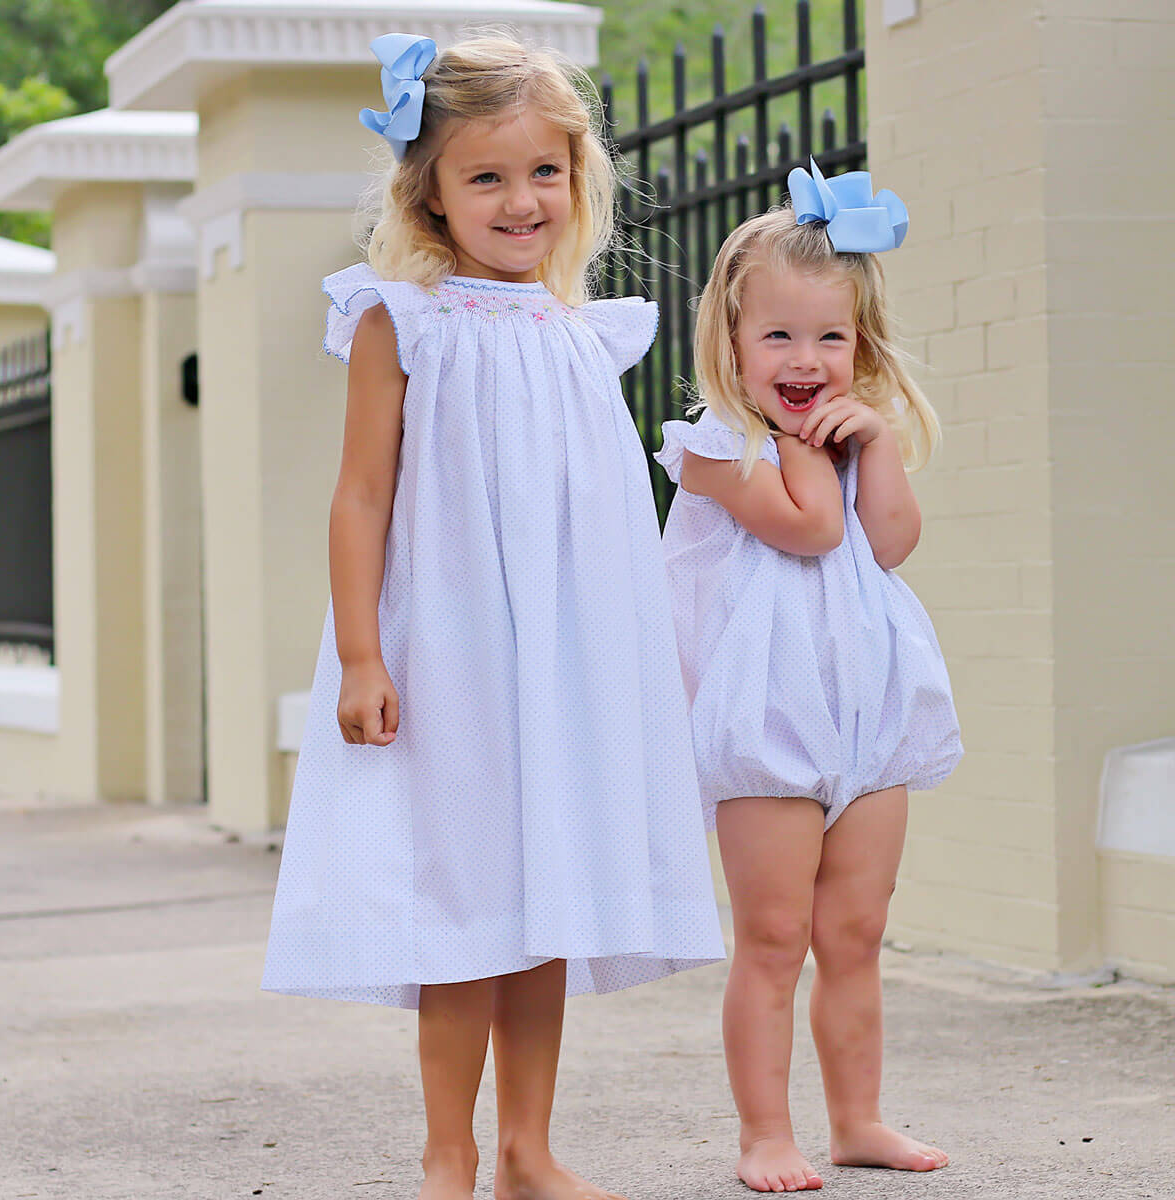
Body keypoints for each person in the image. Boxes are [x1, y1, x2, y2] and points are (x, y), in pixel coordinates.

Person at [262, 32, 724, 1200]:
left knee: (549, 901)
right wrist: (362, 653)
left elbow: (603, 525)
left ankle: (528, 1149)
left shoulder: (585, 335)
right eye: (487, 177)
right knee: (463, 905)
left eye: (546, 173)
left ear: (579, 178)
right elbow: (363, 493)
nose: (523, 201)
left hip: (567, 664)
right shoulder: (399, 321)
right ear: (429, 191)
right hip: (451, 655)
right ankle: (448, 1153)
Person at [656, 161, 962, 1193]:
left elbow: (887, 540)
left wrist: (874, 441)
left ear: (861, 346)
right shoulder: (716, 448)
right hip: (767, 729)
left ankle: (860, 1117)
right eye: (778, 336)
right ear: (732, 344)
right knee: (777, 935)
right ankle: (763, 1134)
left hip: (871, 722)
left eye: (830, 338)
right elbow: (810, 529)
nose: (805, 359)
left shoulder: (850, 441)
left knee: (857, 931)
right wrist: (805, 447)